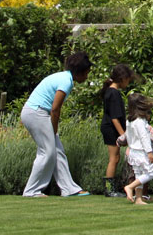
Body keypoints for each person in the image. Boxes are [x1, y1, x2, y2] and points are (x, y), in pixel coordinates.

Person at [21, 52, 93, 198]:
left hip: (36, 112)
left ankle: (69, 189)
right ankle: (31, 191)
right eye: (86, 73)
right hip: (36, 113)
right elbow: (55, 108)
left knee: (57, 150)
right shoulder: (66, 81)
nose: (86, 77)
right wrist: (54, 129)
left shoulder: (64, 76)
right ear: (79, 72)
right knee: (47, 152)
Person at [98, 64, 136, 197]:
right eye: (128, 80)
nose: (128, 83)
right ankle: (109, 189)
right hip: (111, 128)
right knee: (113, 158)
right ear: (122, 78)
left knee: (116, 158)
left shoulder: (110, 91)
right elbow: (114, 117)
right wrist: (123, 135)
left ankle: (112, 188)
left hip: (110, 127)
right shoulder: (113, 93)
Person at [123, 93, 153, 205]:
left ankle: (138, 199)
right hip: (141, 152)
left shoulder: (129, 121)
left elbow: (128, 136)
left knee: (139, 175)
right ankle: (130, 187)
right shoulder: (140, 122)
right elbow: (144, 138)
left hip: (133, 152)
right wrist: (149, 153)